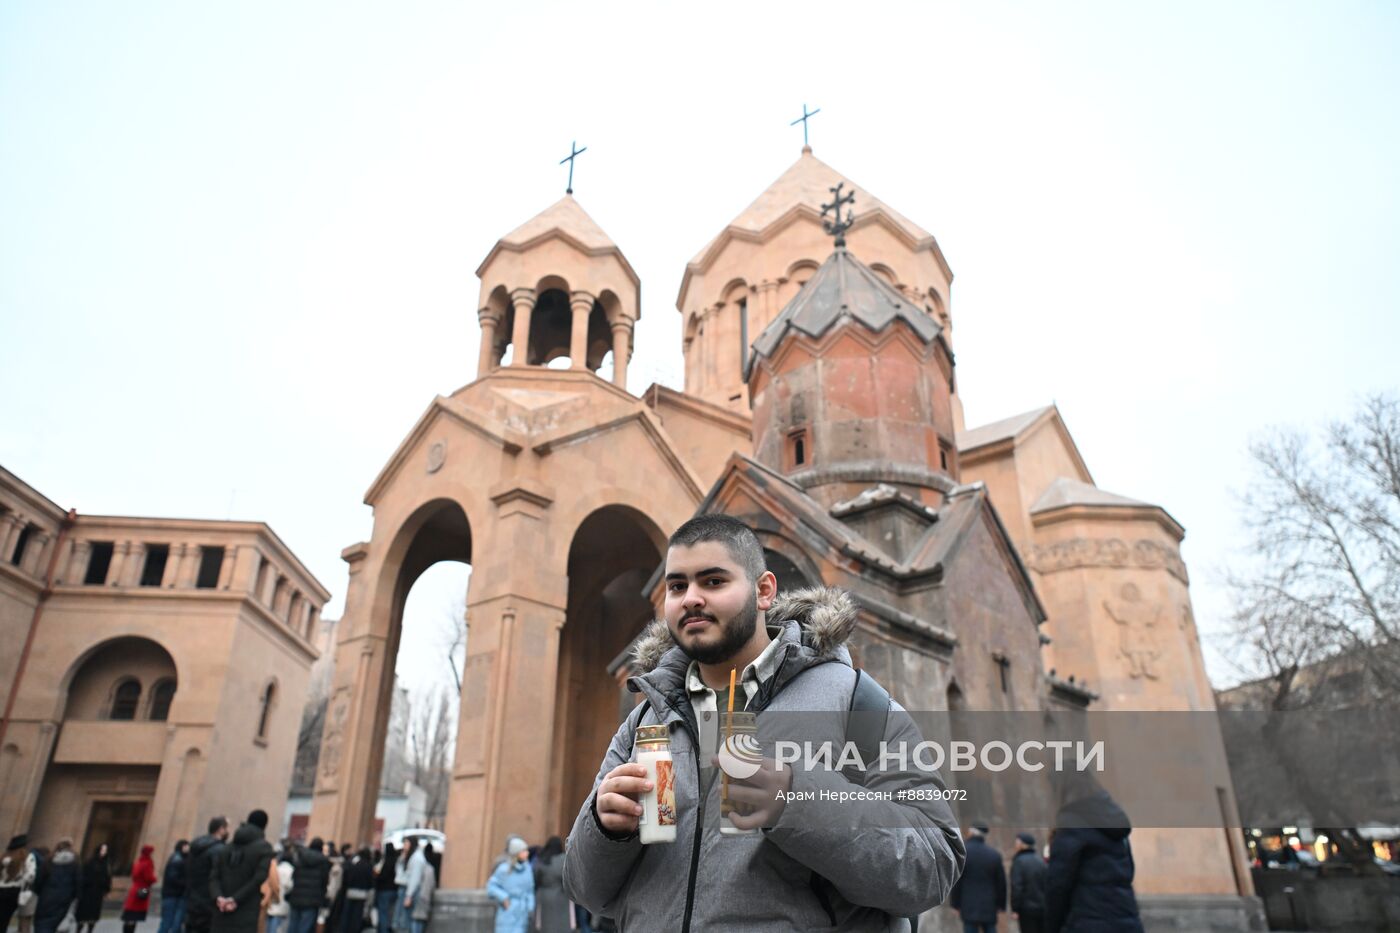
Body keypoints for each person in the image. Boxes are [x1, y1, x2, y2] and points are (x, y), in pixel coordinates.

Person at [563, 515, 966, 930]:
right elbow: (585, 890)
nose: (691, 598)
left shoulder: (854, 702)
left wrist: (796, 800)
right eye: (677, 586)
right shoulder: (645, 717)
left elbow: (933, 864)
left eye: (713, 581)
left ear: (763, 591)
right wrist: (605, 828)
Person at [1043, 777, 1144, 933]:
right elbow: (1129, 871)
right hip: (1127, 921)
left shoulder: (1070, 824)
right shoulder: (1114, 823)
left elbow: (1058, 885)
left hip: (1088, 923)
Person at [210, 810, 275, 933]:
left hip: (221, 910)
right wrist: (234, 899)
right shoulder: (264, 849)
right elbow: (258, 878)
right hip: (246, 909)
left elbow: (214, 877)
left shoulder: (225, 848)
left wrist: (219, 898)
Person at [949, 825, 1005, 933]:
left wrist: (955, 904)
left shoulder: (963, 853)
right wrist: (1000, 905)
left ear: (971, 832)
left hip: (968, 905)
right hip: (989, 906)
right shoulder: (994, 855)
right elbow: (1001, 884)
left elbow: (957, 880)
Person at [186, 818, 231, 933]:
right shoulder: (219, 849)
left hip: (192, 898)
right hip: (209, 901)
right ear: (221, 829)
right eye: (226, 828)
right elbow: (220, 875)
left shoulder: (195, 846)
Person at [33, 839, 81, 933]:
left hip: (46, 896)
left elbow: (39, 879)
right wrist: (76, 897)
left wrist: (40, 892)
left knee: (42, 923)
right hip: (64, 898)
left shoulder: (49, 860)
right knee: (55, 924)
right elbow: (78, 882)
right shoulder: (75, 862)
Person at [484, 838, 531, 933]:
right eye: (524, 850)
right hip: (508, 913)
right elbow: (491, 886)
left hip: (523, 913)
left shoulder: (527, 869)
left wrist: (530, 907)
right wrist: (504, 898)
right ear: (516, 853)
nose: (527, 853)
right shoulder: (503, 869)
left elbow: (530, 890)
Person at [285, 838, 330, 933]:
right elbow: (324, 882)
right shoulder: (323, 861)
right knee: (305, 927)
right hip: (313, 899)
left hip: (296, 896)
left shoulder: (300, 857)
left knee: (292, 925)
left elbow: (294, 876)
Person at [1010, 832, 1048, 933]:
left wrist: (1015, 909)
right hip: (1042, 907)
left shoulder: (1019, 861)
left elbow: (1017, 887)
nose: (1015, 845)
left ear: (1022, 845)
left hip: (1026, 909)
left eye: (1017, 843)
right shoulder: (1040, 861)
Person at [1, 835, 38, 933]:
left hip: (1, 888)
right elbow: (30, 875)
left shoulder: (4, 856)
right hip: (14, 890)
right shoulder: (27, 857)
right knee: (5, 918)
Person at [531, 837, 568, 933]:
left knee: (544, 925)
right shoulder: (563, 859)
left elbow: (535, 878)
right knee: (560, 924)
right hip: (560, 895)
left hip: (543, 896)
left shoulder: (541, 859)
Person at [120, 845, 158, 933]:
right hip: (143, 889)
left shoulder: (138, 862)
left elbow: (134, 876)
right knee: (135, 915)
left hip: (135, 889)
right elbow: (149, 878)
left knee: (130, 914)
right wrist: (155, 879)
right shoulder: (147, 863)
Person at [75, 844, 112, 933]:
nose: (103, 852)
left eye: (105, 850)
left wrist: (106, 889)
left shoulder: (106, 864)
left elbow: (108, 878)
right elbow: (83, 875)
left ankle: (90, 930)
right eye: (102, 850)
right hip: (87, 891)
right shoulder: (90, 862)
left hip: (98, 893)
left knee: (93, 915)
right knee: (83, 914)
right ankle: (78, 929)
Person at [156, 840, 189, 933]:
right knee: (168, 922)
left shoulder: (179, 858)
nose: (188, 848)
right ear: (182, 846)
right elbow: (173, 878)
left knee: (174, 923)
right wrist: (186, 884)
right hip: (173, 894)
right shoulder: (177, 859)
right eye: (187, 846)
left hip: (175, 894)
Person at [338, 850, 373, 933]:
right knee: (356, 916)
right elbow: (370, 881)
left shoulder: (353, 864)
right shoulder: (368, 865)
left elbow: (346, 877)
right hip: (361, 894)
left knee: (346, 915)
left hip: (350, 892)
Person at [264, 853, 294, 933]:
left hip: (273, 895)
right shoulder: (291, 870)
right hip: (283, 897)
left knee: (270, 917)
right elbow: (289, 885)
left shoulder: (277, 868)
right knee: (278, 922)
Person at [370, 845, 397, 933]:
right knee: (390, 913)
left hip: (384, 890)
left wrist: (376, 877)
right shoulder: (396, 861)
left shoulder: (386, 862)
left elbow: (382, 876)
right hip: (394, 890)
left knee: (383, 913)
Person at [389, 842, 412, 933]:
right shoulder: (401, 860)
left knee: (401, 914)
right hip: (401, 886)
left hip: (405, 886)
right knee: (398, 913)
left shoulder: (412, 860)